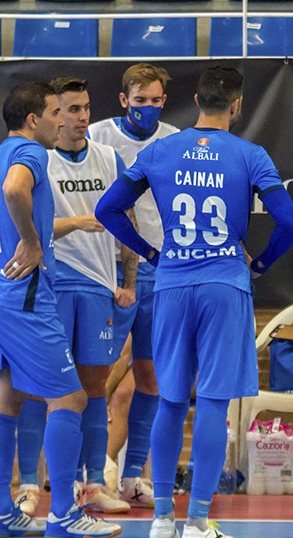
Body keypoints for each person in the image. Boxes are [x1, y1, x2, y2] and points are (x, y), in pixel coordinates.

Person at [96, 66, 293, 538]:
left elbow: (107, 208)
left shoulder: (161, 150)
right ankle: (198, 522)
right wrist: (262, 263)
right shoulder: (250, 154)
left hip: (170, 283)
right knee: (212, 402)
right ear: (237, 105)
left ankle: (164, 519)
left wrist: (150, 252)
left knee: (170, 400)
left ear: (194, 99)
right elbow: (289, 222)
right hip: (225, 285)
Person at [0, 81, 122, 538]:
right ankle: (63, 514)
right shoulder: (30, 154)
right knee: (72, 397)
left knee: (4, 398)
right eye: (57, 111)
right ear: (34, 119)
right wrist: (33, 244)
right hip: (24, 295)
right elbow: (16, 192)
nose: (64, 120)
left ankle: (0, 511)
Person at [35, 75, 130, 514]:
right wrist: (75, 223)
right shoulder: (35, 160)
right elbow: (27, 229)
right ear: (53, 114)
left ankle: (94, 483)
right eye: (72, 109)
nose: (82, 117)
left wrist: (127, 279)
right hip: (53, 282)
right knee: (50, 388)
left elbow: (125, 221)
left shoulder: (109, 157)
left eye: (86, 108)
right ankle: (55, 483)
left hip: (97, 284)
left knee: (94, 388)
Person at [89, 63, 179, 506]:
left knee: (150, 376)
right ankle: (90, 473)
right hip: (108, 271)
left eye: (155, 100)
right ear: (124, 100)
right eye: (139, 100)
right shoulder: (98, 137)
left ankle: (131, 477)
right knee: (95, 373)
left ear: (165, 101)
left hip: (161, 269)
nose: (147, 107)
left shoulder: (177, 140)